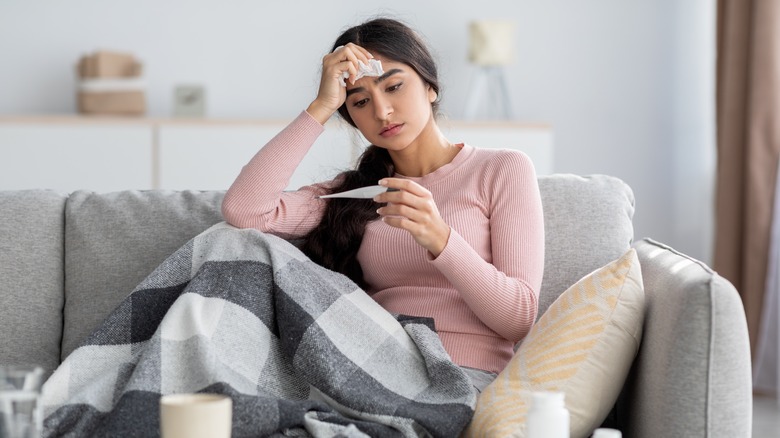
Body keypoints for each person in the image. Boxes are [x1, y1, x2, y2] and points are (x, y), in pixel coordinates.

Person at [221, 17, 545, 392]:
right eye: (360, 101)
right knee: (225, 243)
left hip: (463, 375)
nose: (382, 111)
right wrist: (322, 106)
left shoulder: (501, 168)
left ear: (430, 87)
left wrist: (440, 238)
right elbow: (245, 210)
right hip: (371, 369)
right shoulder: (354, 194)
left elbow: (518, 318)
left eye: (394, 86)